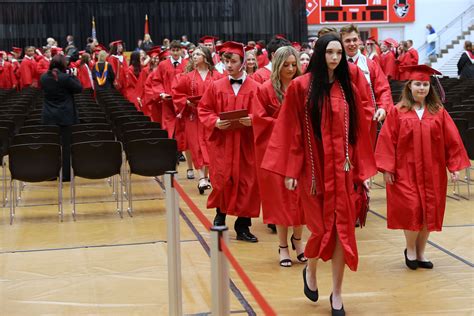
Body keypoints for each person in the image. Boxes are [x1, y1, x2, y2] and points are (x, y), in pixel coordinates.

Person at [261, 34, 376, 314]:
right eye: (330, 52)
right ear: (320, 54)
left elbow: (360, 129)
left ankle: (337, 294)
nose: (335, 58)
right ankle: (310, 270)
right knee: (321, 229)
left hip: (343, 171)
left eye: (339, 53)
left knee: (341, 231)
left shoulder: (349, 86)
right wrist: (289, 169)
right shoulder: (301, 87)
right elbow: (290, 129)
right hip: (313, 173)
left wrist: (364, 170)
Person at [375, 65, 470, 270]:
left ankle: (421, 252)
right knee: (412, 209)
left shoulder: (438, 112)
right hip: (405, 171)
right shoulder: (397, 111)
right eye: (417, 84)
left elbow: (451, 140)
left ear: (430, 87)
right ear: (409, 86)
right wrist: (388, 168)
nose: (422, 88)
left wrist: (453, 166)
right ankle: (410, 249)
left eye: (425, 84)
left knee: (429, 211)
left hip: (432, 171)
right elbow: (386, 141)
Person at [198, 41, 261, 243]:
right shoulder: (216, 86)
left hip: (246, 143)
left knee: (247, 182)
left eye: (233, 61)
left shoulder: (256, 88)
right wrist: (215, 122)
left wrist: (253, 119)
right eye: (226, 61)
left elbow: (264, 113)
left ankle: (243, 226)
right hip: (224, 142)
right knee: (222, 179)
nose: (229, 65)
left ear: (243, 63)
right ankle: (220, 216)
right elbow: (204, 109)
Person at [253, 46, 306, 267]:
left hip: (300, 150)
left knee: (301, 200)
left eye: (294, 65)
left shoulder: (303, 87)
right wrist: (284, 124)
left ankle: (298, 240)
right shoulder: (266, 89)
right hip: (275, 152)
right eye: (286, 65)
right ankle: (283, 246)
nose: (291, 69)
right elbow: (258, 118)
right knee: (281, 202)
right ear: (278, 65)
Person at [172, 47, 222, 194]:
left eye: (198, 54)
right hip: (193, 117)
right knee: (197, 146)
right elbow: (177, 93)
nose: (194, 57)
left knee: (209, 145)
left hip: (211, 117)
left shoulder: (217, 76)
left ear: (206, 57)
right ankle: (201, 178)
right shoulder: (188, 77)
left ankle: (206, 177)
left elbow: (222, 95)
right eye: (193, 55)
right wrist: (186, 102)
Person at [340, 24, 393, 146]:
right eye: (347, 41)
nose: (352, 44)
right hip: (342, 118)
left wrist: (383, 107)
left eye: (354, 39)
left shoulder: (370, 64)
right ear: (341, 43)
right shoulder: (337, 64)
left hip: (367, 118)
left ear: (359, 40)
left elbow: (383, 88)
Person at [40, 54, 83, 182]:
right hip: (65, 116)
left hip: (49, 115)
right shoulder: (66, 78)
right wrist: (73, 74)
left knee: (51, 146)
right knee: (66, 147)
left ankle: (51, 174)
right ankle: (65, 175)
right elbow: (79, 88)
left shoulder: (43, 78)